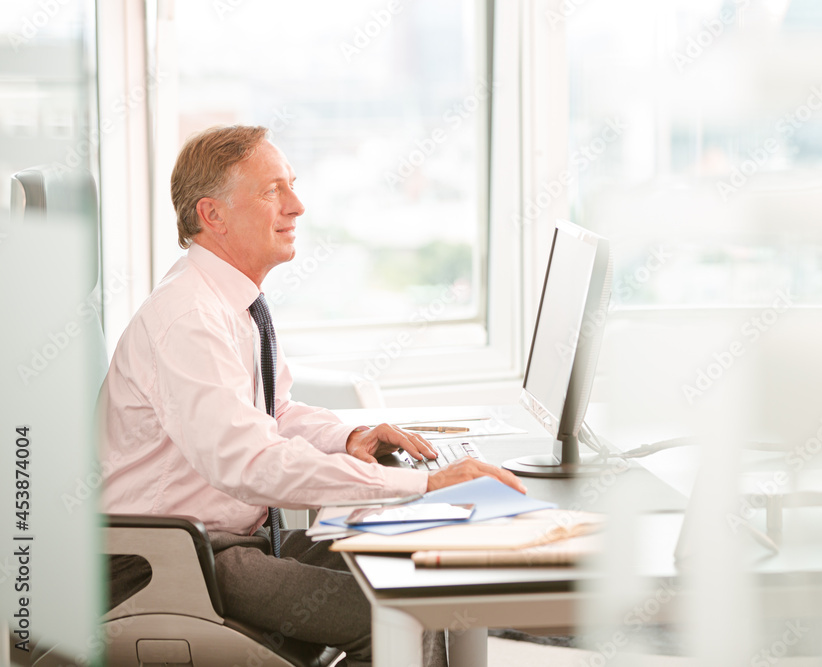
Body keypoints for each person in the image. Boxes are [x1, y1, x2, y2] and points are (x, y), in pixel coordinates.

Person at [99, 124, 526, 666]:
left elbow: (272, 415)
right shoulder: (188, 318)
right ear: (213, 214)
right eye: (272, 190)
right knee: (398, 617)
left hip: (230, 542)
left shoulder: (231, 302)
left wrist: (348, 438)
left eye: (292, 186)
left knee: (418, 574)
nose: (296, 206)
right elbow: (250, 462)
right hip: (176, 561)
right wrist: (423, 482)